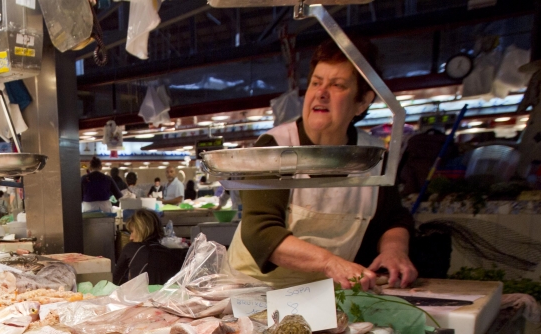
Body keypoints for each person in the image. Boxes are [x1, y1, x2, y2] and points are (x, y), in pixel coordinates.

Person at [227, 38, 417, 290]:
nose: (321, 92)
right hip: (254, 289)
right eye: (316, 82)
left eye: (337, 85)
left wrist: (395, 251)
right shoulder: (275, 145)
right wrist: (329, 263)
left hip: (329, 294)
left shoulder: (371, 156)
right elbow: (260, 233)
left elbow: (394, 218)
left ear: (362, 101)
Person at [112, 208, 185, 285]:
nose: (130, 238)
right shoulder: (173, 255)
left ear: (141, 230)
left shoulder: (132, 248)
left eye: (132, 232)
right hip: (168, 296)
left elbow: (116, 282)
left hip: (139, 296)